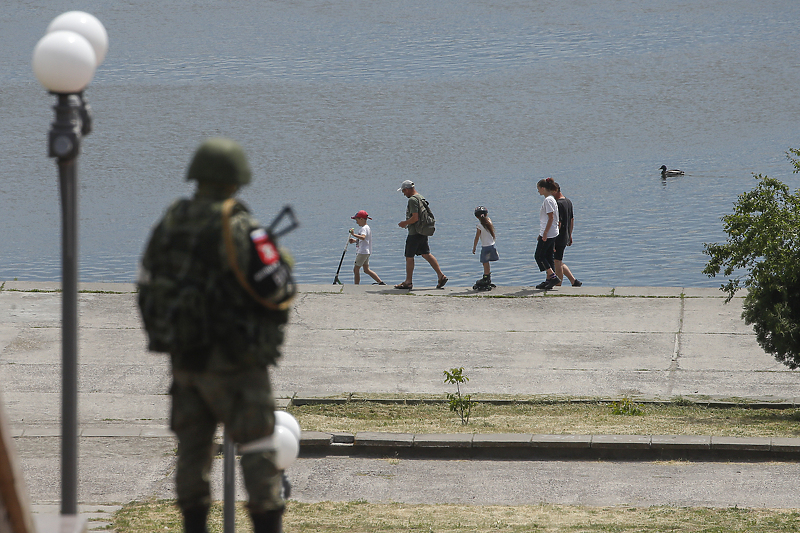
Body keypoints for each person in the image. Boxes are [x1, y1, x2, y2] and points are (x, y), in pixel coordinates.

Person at [137, 138, 295, 533]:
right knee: (258, 445)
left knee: (192, 448)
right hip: (236, 361)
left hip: (185, 357)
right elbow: (278, 288)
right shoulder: (239, 226)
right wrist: (281, 255)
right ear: (235, 180)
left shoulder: (170, 221)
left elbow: (146, 283)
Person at [395, 180, 448, 290]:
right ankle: (441, 275)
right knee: (426, 254)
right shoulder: (420, 197)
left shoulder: (412, 200)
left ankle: (408, 282)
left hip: (414, 233)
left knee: (409, 257)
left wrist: (404, 223)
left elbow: (415, 218)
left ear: (408, 189)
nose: (404, 193)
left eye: (404, 191)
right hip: (422, 231)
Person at [553, 183, 582, 287]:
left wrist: (553, 239)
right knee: (558, 261)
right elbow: (571, 219)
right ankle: (574, 281)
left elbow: (558, 223)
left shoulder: (558, 203)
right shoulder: (568, 201)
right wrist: (570, 234)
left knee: (557, 262)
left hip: (558, 237)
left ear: (555, 190)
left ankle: (558, 286)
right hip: (565, 235)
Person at [534, 177, 560, 290]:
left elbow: (551, 218)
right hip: (552, 232)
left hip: (549, 233)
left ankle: (553, 277)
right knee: (548, 256)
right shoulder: (552, 199)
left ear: (543, 188)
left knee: (539, 256)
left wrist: (544, 233)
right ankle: (549, 280)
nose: (538, 191)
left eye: (539, 189)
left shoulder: (548, 200)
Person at [348, 209, 385, 285]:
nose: (356, 222)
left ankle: (356, 286)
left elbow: (363, 237)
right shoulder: (367, 227)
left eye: (357, 220)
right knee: (366, 270)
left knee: (356, 269)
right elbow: (364, 240)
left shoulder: (364, 228)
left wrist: (354, 234)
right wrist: (355, 240)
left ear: (361, 219)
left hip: (362, 252)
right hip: (366, 252)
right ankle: (380, 282)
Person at [472, 206, 499, 290]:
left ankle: (486, 278)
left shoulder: (479, 226)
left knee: (485, 263)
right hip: (492, 246)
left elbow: (477, 238)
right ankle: (488, 278)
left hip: (485, 247)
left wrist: (474, 248)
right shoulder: (489, 222)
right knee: (486, 263)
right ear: (486, 214)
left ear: (476, 217)